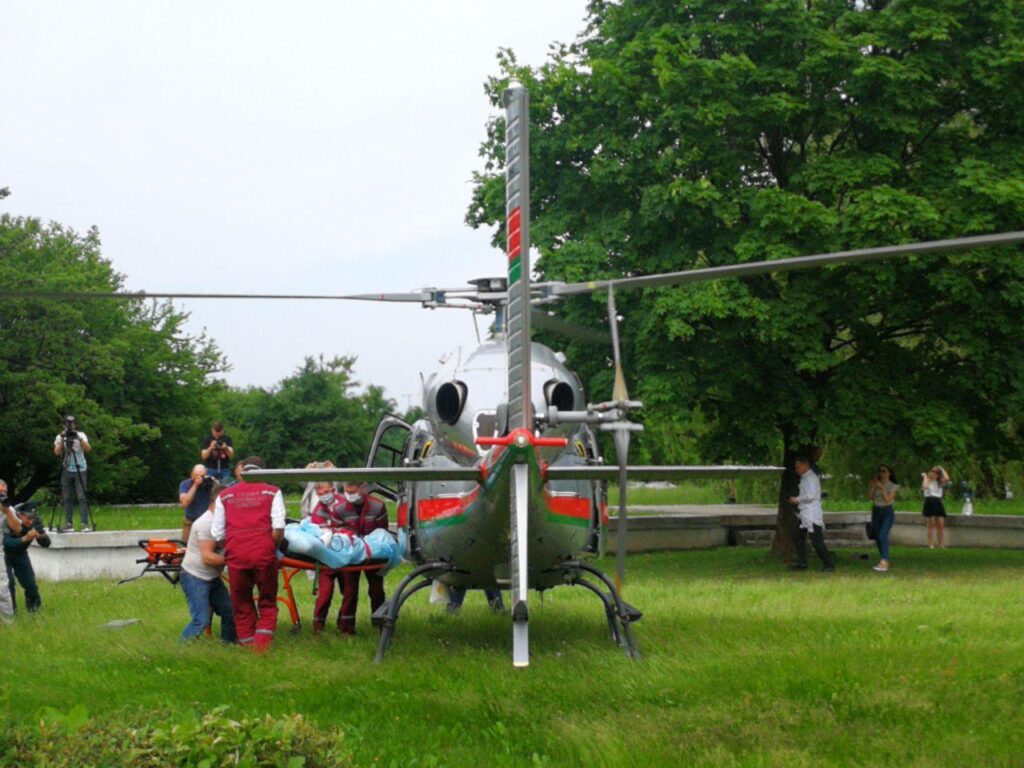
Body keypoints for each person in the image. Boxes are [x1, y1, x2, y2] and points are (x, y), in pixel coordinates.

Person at [211, 455, 285, 651]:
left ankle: (246, 645)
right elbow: (278, 527)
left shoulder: (224, 495)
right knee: (267, 601)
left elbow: (217, 533)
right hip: (264, 553)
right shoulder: (273, 492)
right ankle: (261, 649)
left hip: (236, 555)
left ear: (242, 472)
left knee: (241, 603)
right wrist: (270, 545)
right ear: (264, 473)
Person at [333, 482, 389, 635]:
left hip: (374, 554)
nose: (350, 493)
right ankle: (346, 629)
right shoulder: (339, 509)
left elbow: (382, 533)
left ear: (362, 488)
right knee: (350, 592)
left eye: (353, 490)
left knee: (376, 590)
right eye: (347, 490)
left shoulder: (378, 507)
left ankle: (381, 626)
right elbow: (337, 536)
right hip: (350, 555)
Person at [179, 504, 236, 644]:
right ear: (218, 503)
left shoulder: (220, 521)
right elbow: (208, 558)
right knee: (201, 620)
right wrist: (236, 560)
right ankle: (181, 649)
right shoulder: (207, 523)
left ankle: (228, 646)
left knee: (230, 612)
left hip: (211, 577)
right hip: (195, 576)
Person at [307, 481, 348, 634]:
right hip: (326, 558)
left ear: (333, 489)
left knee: (348, 592)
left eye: (326, 492)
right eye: (320, 494)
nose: (324, 496)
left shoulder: (345, 504)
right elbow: (318, 534)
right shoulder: (317, 511)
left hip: (346, 555)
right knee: (325, 593)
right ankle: (318, 626)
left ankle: (344, 624)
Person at [787, 456, 835, 572]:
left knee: (816, 541)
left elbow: (811, 495)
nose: (797, 470)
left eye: (798, 467)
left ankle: (829, 564)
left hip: (811, 514)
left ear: (805, 465)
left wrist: (797, 499)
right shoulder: (805, 478)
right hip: (804, 513)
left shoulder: (810, 478)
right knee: (796, 534)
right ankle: (802, 562)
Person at [53, 416, 91, 531]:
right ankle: (68, 524)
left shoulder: (81, 435)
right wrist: (62, 438)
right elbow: (56, 452)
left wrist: (78, 438)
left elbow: (88, 449)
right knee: (67, 497)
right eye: (68, 424)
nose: (70, 427)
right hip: (67, 468)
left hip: (80, 468)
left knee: (81, 496)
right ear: (63, 425)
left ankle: (84, 524)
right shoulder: (60, 437)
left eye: (72, 424)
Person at [868, 465, 899, 573]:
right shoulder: (877, 484)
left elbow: (888, 499)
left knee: (882, 535)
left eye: (884, 471)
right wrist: (873, 486)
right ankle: (884, 559)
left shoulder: (893, 486)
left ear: (889, 473)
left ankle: (884, 561)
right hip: (876, 511)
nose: (881, 473)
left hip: (887, 512)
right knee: (877, 536)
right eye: (880, 471)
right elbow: (870, 497)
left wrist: (881, 488)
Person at [0, 481, 23, 623]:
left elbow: (18, 529)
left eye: (4, 492)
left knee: (2, 586)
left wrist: (7, 511)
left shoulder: (7, 508)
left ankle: (8, 623)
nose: (1, 494)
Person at [179, 464, 216, 543]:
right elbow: (185, 502)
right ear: (191, 475)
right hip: (190, 521)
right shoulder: (186, 484)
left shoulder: (210, 484)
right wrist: (195, 485)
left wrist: (215, 483)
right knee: (185, 546)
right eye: (197, 475)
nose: (200, 478)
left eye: (202, 476)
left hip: (207, 523)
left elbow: (219, 498)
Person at [921, 465, 950, 548]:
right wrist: (926, 478)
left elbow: (947, 478)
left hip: (938, 501)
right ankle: (931, 544)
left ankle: (941, 543)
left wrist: (941, 468)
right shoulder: (927, 479)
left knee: (940, 524)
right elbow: (925, 486)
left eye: (936, 473)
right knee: (931, 524)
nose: (934, 473)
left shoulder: (939, 482)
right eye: (933, 471)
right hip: (930, 500)